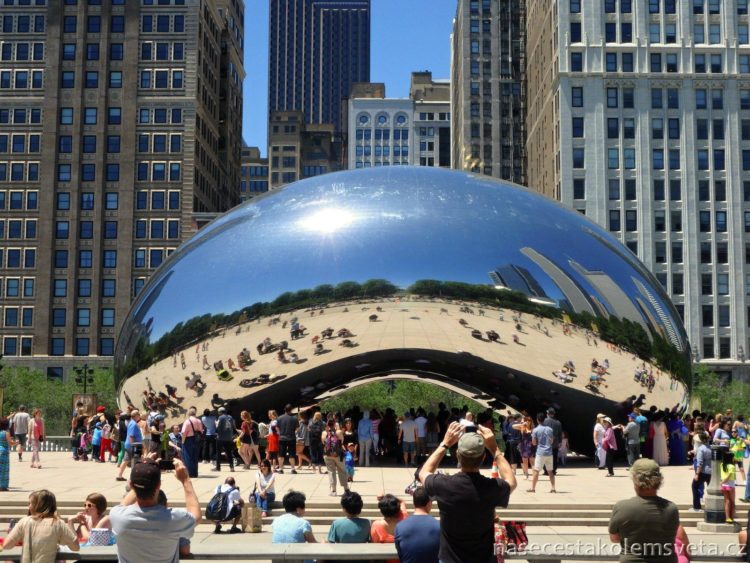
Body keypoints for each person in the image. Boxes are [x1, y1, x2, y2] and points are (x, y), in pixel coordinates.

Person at [419, 421, 516, 563]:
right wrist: (495, 449)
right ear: (483, 458)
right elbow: (511, 481)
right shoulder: (490, 487)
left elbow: (423, 473)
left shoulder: (444, 485)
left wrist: (444, 444)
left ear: (458, 455)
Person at [110, 458, 200, 563]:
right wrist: (185, 480)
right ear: (159, 485)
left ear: (131, 485)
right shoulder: (173, 519)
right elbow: (196, 516)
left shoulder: (117, 516)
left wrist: (143, 468)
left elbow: (124, 503)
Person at [608, 458, 680, 563]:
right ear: (659, 480)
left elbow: (614, 538)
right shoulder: (671, 508)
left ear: (635, 480)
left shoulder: (621, 507)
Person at [0, 489, 79, 560]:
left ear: (36, 505)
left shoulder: (24, 521)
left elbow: (7, 545)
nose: (28, 506)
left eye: (30, 503)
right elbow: (75, 547)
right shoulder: (58, 523)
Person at [394, 486, 440, 563]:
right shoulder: (439, 526)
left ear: (414, 503)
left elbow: (400, 552)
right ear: (429, 503)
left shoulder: (400, 527)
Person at [370, 494, 408, 563]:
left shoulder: (377, 525)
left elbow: (373, 547)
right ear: (398, 508)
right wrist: (388, 498)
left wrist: (385, 500)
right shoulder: (405, 518)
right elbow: (402, 501)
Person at [528, 412, 556, 493]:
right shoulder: (550, 429)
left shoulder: (535, 430)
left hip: (540, 452)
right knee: (550, 471)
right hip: (549, 452)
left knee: (536, 470)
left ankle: (533, 488)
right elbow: (551, 441)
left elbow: (534, 443)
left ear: (537, 420)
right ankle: (553, 488)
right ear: (544, 420)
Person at [322, 418, 349, 496]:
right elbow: (342, 441)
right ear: (335, 424)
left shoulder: (324, 433)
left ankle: (333, 491)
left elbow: (323, 442)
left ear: (327, 424)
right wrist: (337, 428)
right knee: (342, 470)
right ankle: (346, 489)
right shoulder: (339, 432)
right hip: (338, 455)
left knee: (331, 472)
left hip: (328, 455)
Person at [116, 410, 143, 482]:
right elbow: (131, 436)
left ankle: (119, 475)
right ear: (136, 415)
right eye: (139, 415)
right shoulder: (133, 424)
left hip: (129, 444)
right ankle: (133, 477)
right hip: (133, 445)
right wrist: (134, 445)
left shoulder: (131, 423)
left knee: (125, 460)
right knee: (135, 461)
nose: (139, 416)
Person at [692, 433, 711, 512]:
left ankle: (696, 507)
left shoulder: (701, 449)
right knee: (711, 490)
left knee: (694, 486)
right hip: (712, 472)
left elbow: (699, 463)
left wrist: (697, 474)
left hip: (703, 472)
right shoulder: (711, 448)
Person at [214, 407, 235, 473]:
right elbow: (233, 426)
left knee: (218, 452)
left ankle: (218, 467)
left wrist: (216, 424)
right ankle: (231, 467)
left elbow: (218, 427)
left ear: (220, 412)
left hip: (221, 437)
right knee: (229, 452)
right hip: (229, 437)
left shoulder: (220, 418)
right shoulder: (230, 417)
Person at [542, 407, 562, 474]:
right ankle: (553, 470)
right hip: (555, 443)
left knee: (545, 456)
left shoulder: (543, 421)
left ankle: (546, 470)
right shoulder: (558, 422)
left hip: (545, 442)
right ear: (553, 414)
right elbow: (560, 433)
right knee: (554, 457)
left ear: (547, 413)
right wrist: (560, 442)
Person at [0, 418, 17, 491]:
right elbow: (10, 443)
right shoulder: (6, 432)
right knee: (4, 470)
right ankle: (2, 486)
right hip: (4, 452)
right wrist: (16, 442)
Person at [721, 451, 737, 523]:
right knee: (732, 502)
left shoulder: (722, 465)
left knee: (727, 501)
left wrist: (722, 482)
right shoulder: (732, 466)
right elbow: (729, 476)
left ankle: (727, 517)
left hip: (724, 486)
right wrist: (724, 481)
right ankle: (732, 517)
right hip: (730, 485)